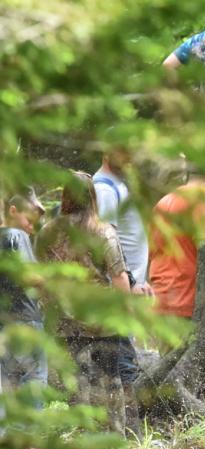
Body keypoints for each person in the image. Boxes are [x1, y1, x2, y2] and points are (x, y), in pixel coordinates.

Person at [35, 172, 131, 433]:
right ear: (92, 196)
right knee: (110, 379)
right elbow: (119, 277)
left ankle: (83, 434)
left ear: (64, 195)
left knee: (77, 381)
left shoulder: (47, 232)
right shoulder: (103, 231)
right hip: (103, 320)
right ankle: (115, 435)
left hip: (64, 320)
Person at [93, 143, 149, 427]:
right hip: (119, 291)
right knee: (123, 363)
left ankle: (125, 428)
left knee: (123, 361)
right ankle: (129, 429)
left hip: (128, 286)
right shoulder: (104, 189)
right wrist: (130, 283)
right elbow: (106, 244)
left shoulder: (118, 184)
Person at [0, 191, 48, 408]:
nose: (31, 227)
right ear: (12, 211)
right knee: (33, 383)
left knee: (7, 388)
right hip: (25, 322)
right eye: (29, 220)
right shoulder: (15, 235)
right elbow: (30, 277)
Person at [148, 174, 205, 320]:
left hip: (159, 291)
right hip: (184, 296)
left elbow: (151, 247)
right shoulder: (198, 204)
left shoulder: (164, 201)